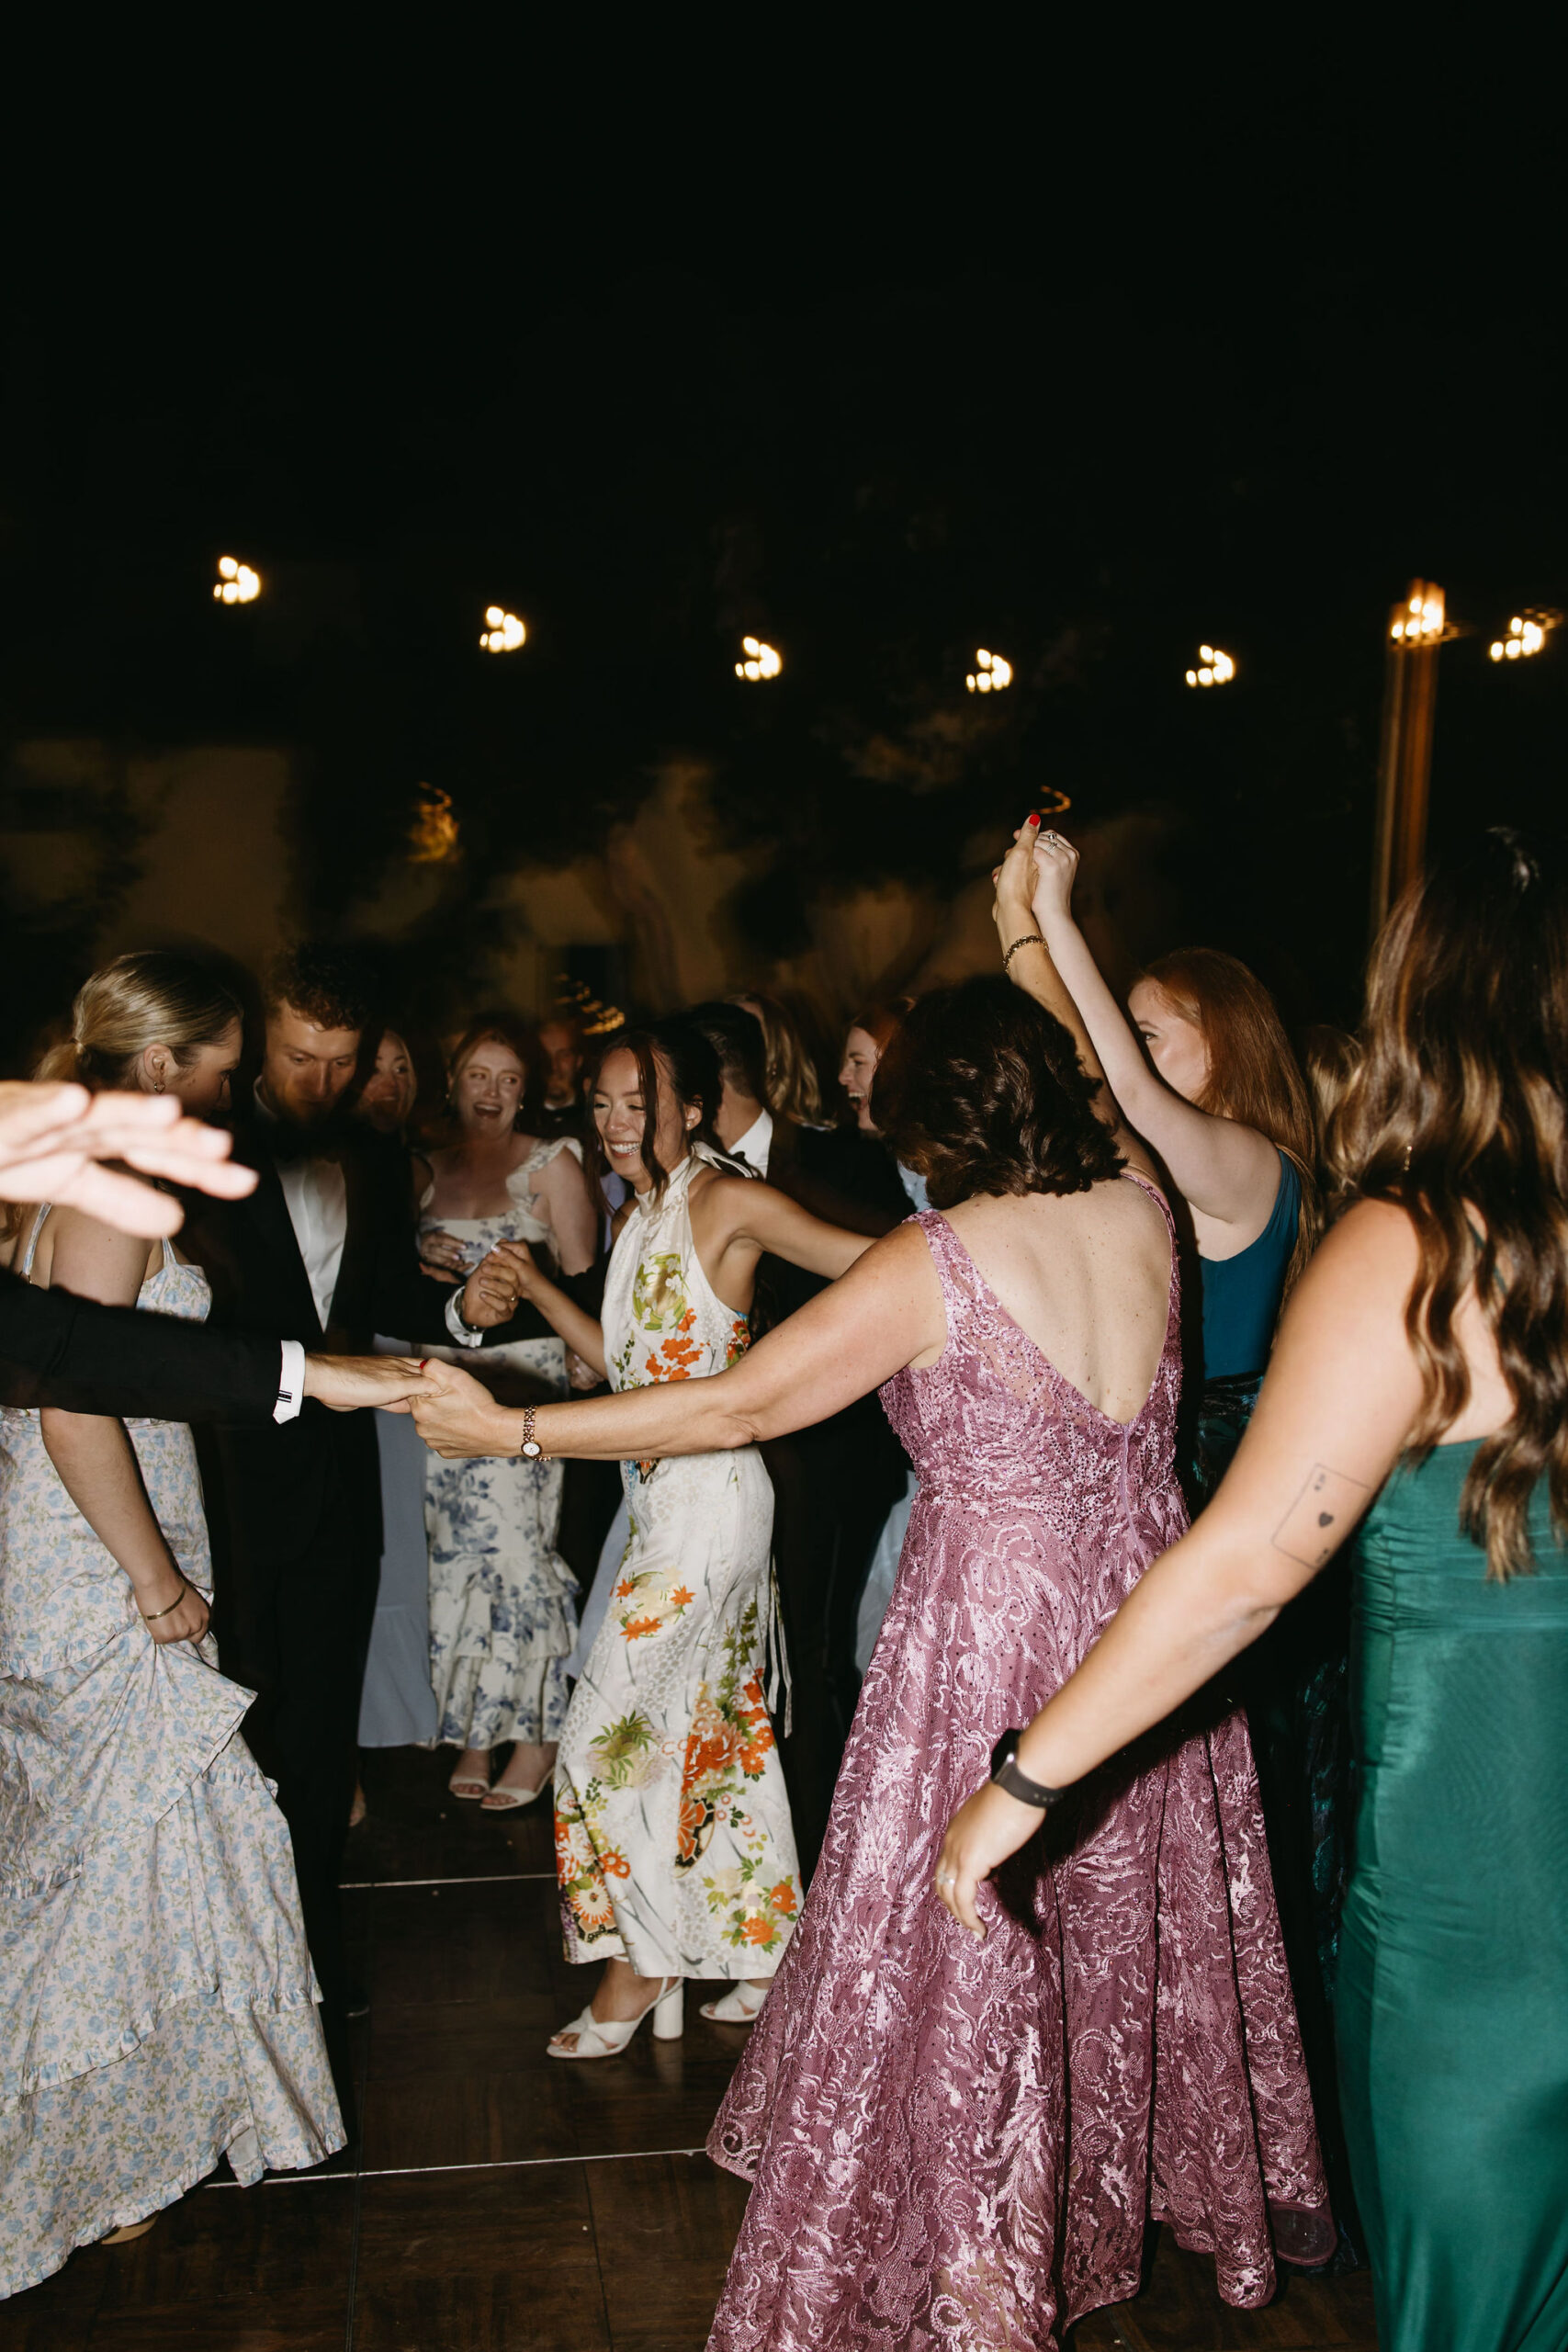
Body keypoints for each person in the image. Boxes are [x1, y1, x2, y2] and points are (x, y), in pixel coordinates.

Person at [401, 975, 1331, 2338]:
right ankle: (1081, 2199)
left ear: (938, 1125)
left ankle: (982, 2252)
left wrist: (518, 1434)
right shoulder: (1144, 1213)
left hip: (987, 1634)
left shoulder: (940, 1259)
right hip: (1141, 1622)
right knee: (1103, 1922)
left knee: (971, 1939)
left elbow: (734, 1401)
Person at [938, 826, 1568, 2352]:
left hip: (1480, 1928)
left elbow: (1239, 1571)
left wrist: (1019, 1786)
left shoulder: (1414, 1251)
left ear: (1424, 1001)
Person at [0, 956, 343, 2293]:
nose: (233, 1083)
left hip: (75, 1540)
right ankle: (50, 2153)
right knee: (104, 1869)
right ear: (160, 1065)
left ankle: (118, 2146)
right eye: (221, 1061)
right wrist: (151, 1582)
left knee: (116, 1857)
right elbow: (71, 1401)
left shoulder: (56, 1167)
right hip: (98, 1552)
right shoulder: (110, 1186)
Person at [463, 1018, 874, 2055]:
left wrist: (816, 1377)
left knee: (604, 1745)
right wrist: (542, 1286)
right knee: (715, 1740)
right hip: (662, 1503)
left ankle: (641, 1966)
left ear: (690, 1108)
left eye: (635, 1103)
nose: (611, 1123)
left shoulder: (727, 1198)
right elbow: (627, 1366)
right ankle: (758, 1951)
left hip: (712, 1507)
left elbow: (872, 1264)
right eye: (598, 1103)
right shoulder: (642, 1211)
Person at [181, 944, 525, 2024]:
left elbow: (378, 1292)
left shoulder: (370, 1159)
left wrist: (469, 1311)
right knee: (237, 1739)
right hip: (223, 1496)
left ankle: (312, 1964)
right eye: (298, 1056)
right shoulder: (189, 1151)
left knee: (325, 1747)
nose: (319, 1083)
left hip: (337, 1496)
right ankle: (224, 1983)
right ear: (256, 1043)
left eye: (340, 1061)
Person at [417, 1019, 598, 1808]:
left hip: (528, 1382)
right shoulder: (422, 1167)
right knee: (456, 1563)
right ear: (453, 1082)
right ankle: (477, 1726)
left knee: (521, 1558)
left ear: (527, 1090)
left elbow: (586, 1276)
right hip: (444, 1382)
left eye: (508, 1080)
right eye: (478, 1077)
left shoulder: (551, 1163)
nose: (491, 1094)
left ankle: (539, 1735)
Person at [353, 1023, 443, 1762]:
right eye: (373, 1067)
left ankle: (409, 1706)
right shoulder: (331, 1158)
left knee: (406, 1532)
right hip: (354, 1359)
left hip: (412, 1354)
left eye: (401, 1065)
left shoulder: (414, 1164)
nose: (389, 1079)